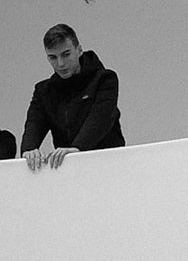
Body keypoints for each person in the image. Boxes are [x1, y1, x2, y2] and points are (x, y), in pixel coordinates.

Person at [21, 22, 124, 170]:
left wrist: (77, 148)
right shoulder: (44, 91)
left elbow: (101, 117)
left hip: (109, 165)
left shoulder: (105, 79)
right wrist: (29, 151)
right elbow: (34, 124)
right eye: (53, 57)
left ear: (79, 50)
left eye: (66, 54)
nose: (60, 64)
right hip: (68, 169)